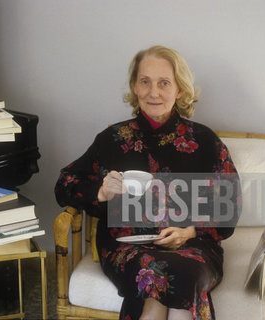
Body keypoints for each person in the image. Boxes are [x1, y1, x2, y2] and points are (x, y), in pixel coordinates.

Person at [55, 45, 240, 320]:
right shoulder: (112, 139)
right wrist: (101, 192)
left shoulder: (204, 141)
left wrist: (190, 231)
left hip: (192, 245)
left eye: (164, 83)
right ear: (135, 87)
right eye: (145, 82)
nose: (154, 92)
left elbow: (229, 208)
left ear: (179, 89)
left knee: (183, 274)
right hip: (127, 246)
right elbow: (65, 184)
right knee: (151, 271)